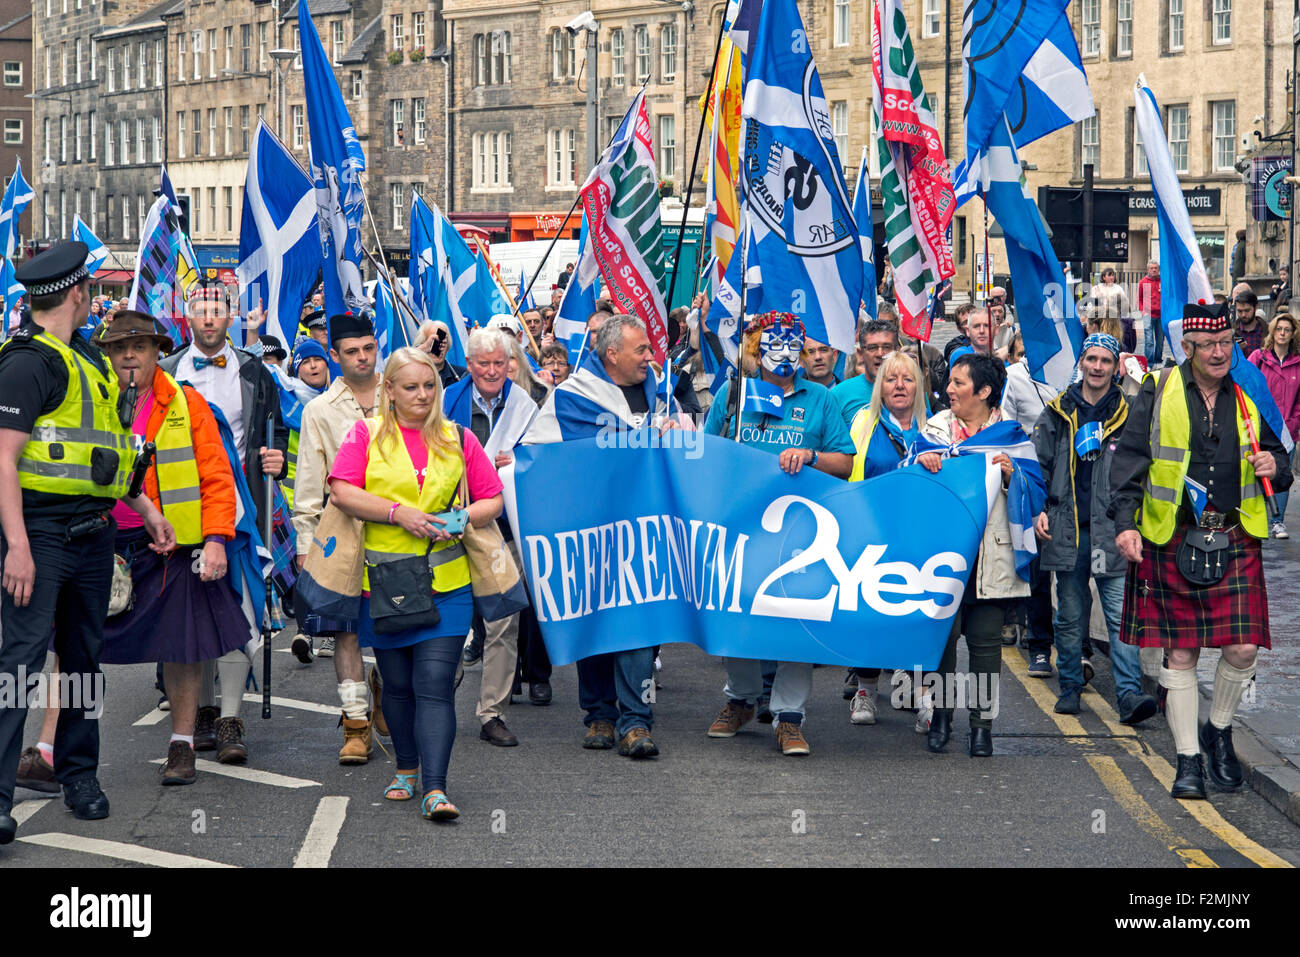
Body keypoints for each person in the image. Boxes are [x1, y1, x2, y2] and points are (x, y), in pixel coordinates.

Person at [0, 242, 176, 844]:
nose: (97, 299)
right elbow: (2, 459)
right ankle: (0, 798)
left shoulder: (88, 360)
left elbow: (104, 457)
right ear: (77, 293)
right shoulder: (27, 362)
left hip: (94, 534)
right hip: (40, 536)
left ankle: (78, 776)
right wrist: (17, 547)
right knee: (19, 667)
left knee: (82, 662)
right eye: (93, 291)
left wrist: (146, 508)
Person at [1111, 301, 1291, 799]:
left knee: (1242, 647)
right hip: (1172, 534)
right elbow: (1130, 458)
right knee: (1181, 651)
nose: (1219, 352)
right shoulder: (1157, 389)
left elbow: (1280, 453)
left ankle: (1220, 730)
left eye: (1226, 342)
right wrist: (1125, 525)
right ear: (1187, 347)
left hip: (1233, 534)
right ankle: (1188, 758)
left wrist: (1276, 467)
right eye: (1209, 344)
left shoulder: (1247, 390)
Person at [328, 347, 504, 820]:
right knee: (399, 685)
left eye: (429, 386)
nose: (422, 395)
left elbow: (493, 499)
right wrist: (395, 512)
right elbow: (340, 489)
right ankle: (406, 766)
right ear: (389, 390)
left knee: (434, 683)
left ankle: (436, 787)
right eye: (410, 387)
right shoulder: (365, 434)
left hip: (448, 586)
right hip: (384, 587)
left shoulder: (458, 437)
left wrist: (463, 515)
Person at [95, 311, 251, 784]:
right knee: (74, 645)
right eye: (120, 347)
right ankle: (59, 748)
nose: (128, 355)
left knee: (182, 648)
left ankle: (181, 745)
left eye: (139, 347)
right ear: (108, 354)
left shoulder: (188, 403)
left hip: (172, 547)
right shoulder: (92, 402)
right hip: (100, 541)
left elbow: (217, 477)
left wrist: (217, 540)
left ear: (156, 353)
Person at [523, 315, 676, 757]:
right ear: (613, 355)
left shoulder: (662, 392)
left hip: (647, 531)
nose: (650, 357)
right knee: (595, 618)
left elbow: (689, 442)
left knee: (638, 625)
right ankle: (600, 716)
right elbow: (537, 452)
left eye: (649, 349)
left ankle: (636, 721)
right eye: (641, 350)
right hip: (591, 533)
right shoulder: (573, 398)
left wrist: (674, 435)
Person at [703, 312, 854, 756]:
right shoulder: (732, 395)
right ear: (755, 349)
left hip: (801, 534)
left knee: (796, 618)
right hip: (741, 528)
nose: (787, 353)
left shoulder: (821, 399)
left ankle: (789, 716)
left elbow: (845, 463)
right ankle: (742, 698)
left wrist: (810, 456)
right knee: (739, 613)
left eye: (796, 345)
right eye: (775, 343)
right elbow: (706, 455)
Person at [159, 286, 288, 763]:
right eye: (201, 310)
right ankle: (206, 711)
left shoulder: (254, 370)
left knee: (239, 602)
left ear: (231, 316)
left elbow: (277, 430)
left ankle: (232, 717)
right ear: (188, 316)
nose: (209, 318)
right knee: (194, 607)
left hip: (239, 503)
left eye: (218, 310)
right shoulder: (168, 371)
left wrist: (279, 460)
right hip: (178, 505)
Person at [915, 353, 1043, 757]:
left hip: (990, 558)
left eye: (958, 384)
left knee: (986, 645)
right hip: (943, 557)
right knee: (943, 641)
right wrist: (922, 462)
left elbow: (1036, 492)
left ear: (984, 392)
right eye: (949, 383)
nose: (948, 390)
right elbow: (907, 478)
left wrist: (1012, 476)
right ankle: (941, 717)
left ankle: (982, 727)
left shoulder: (1010, 435)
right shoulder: (934, 430)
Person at [1032, 333, 1159, 724]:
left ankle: (1128, 695)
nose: (1098, 367)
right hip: (1068, 527)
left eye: (1105, 360)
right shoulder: (1057, 411)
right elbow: (1036, 467)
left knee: (1122, 618)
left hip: (1115, 528)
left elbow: (1146, 466)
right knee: (1069, 616)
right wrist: (1038, 508)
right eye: (1091, 359)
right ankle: (1070, 686)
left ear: (1116, 365)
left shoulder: (1131, 410)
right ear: (1082, 362)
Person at [293, 314, 386, 761]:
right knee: (344, 631)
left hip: (396, 531)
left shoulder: (403, 393)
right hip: (340, 534)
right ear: (334, 355)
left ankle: (385, 692)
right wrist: (304, 547)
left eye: (368, 348)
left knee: (392, 626)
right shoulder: (319, 410)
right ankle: (355, 723)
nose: (362, 357)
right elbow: (310, 484)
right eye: (351, 351)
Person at [443, 327, 540, 746]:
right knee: (449, 619)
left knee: (503, 620)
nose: (491, 370)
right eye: (483, 363)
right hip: (447, 526)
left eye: (499, 363)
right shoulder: (445, 399)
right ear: (469, 365)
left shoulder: (527, 406)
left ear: (509, 365)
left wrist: (521, 459)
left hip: (502, 528)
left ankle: (492, 713)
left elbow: (542, 459)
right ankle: (438, 698)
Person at [845, 350, 927, 727]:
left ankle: (924, 692)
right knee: (870, 615)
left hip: (921, 538)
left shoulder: (936, 427)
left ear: (918, 386)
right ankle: (865, 691)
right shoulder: (864, 422)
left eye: (907, 379)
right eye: (891, 379)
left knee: (919, 613)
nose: (899, 385)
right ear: (880, 386)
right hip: (871, 535)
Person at [1247, 312, 1299, 538]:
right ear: (1273, 331)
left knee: (1282, 473)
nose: (1282, 333)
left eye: (1287, 330)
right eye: (1279, 329)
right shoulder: (1259, 357)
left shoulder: (1298, 362)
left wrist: (1294, 422)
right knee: (1256, 470)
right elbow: (1245, 385)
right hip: (1259, 427)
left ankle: (1277, 521)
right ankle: (1255, 516)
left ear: (1293, 334)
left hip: (1286, 430)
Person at [831, 318, 899, 427]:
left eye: (887, 347)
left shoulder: (911, 390)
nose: (880, 354)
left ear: (897, 351)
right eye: (872, 348)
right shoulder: (839, 394)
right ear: (860, 353)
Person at [1138, 260, 1163, 366]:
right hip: (1148, 315)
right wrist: (1143, 312)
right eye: (1152, 268)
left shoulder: (1163, 281)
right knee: (1149, 340)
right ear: (1148, 269)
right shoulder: (1143, 282)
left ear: (1158, 269)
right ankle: (1149, 363)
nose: (1154, 270)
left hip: (1161, 315)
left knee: (1160, 340)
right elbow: (1139, 299)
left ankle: (1158, 359)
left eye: (1156, 268)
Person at [1233, 289, 1265, 358]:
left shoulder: (1267, 331)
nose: (1243, 315)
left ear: (1255, 307)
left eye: (1247, 310)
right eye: (1240, 311)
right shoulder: (1231, 333)